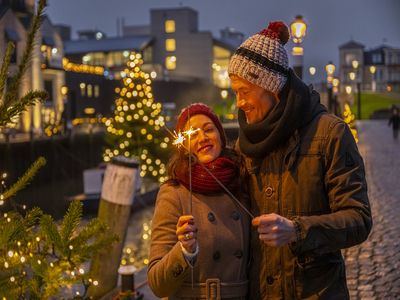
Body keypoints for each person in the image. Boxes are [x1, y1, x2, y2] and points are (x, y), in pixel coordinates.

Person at [228, 21, 372, 299]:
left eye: (244, 91)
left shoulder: (330, 133)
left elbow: (359, 219)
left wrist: (298, 230)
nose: (239, 103)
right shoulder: (245, 143)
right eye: (235, 93)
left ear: (271, 87)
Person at [147, 103, 250, 299]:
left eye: (209, 129)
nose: (203, 138)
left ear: (220, 135)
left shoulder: (241, 180)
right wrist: (185, 251)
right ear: (184, 146)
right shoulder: (174, 192)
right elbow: (157, 285)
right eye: (193, 134)